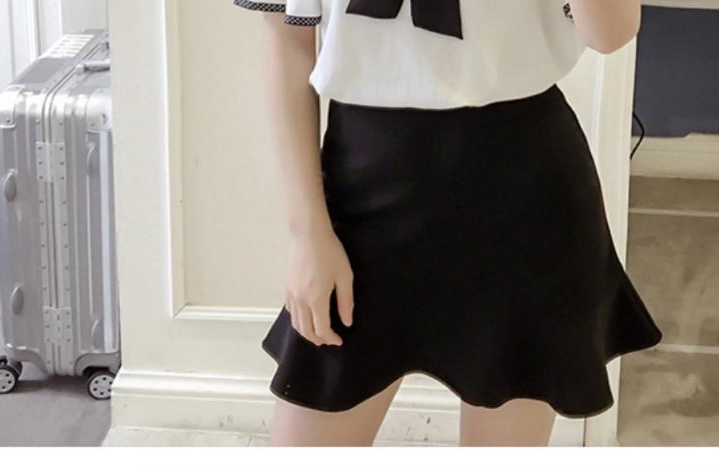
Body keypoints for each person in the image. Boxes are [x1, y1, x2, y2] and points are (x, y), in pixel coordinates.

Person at [232, 0, 663, 446]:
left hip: (522, 193)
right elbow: (287, 40)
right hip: (363, 192)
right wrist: (307, 234)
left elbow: (610, 34)